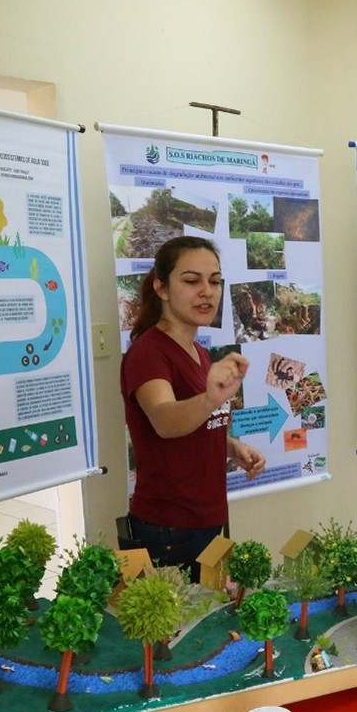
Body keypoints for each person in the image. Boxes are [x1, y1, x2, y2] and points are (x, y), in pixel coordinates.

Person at [120, 236, 265, 581]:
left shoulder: (198, 352)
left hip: (207, 518)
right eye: (191, 281)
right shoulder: (148, 353)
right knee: (178, 618)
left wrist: (231, 447)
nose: (207, 292)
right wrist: (210, 399)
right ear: (161, 288)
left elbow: (197, 424)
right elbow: (165, 420)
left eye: (214, 281)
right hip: (168, 529)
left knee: (211, 613)